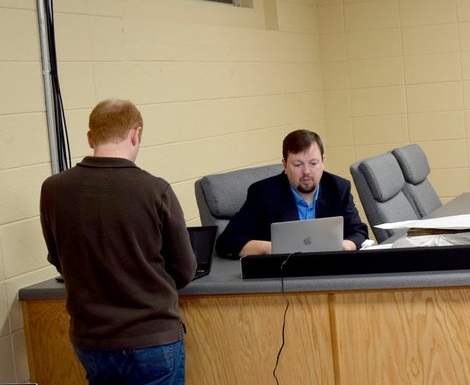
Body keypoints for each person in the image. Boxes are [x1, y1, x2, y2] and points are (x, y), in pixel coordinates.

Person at [39, 99, 197, 385]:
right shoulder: (155, 189)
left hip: (91, 339)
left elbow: (59, 259)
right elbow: (185, 270)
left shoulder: (53, 190)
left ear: (90, 138)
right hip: (152, 336)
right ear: (136, 134)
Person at [216, 129, 369, 258]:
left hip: (330, 270)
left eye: (313, 163)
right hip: (282, 275)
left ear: (323, 162)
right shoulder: (263, 193)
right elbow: (227, 242)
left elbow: (359, 232)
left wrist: (344, 246)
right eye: (298, 164)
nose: (307, 172)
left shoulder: (338, 188)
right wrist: (271, 248)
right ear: (285, 165)